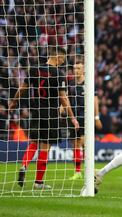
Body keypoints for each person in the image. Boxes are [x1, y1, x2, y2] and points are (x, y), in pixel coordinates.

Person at [8, 47, 79, 189]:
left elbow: (23, 88)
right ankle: (38, 182)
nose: (62, 63)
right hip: (51, 114)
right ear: (57, 57)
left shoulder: (34, 69)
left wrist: (14, 102)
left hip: (36, 112)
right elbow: (63, 98)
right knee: (45, 147)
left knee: (34, 142)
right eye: (62, 60)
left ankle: (24, 165)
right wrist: (72, 117)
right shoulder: (58, 74)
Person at [67, 59, 103, 180]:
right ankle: (77, 172)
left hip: (85, 118)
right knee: (75, 144)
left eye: (78, 68)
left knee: (84, 144)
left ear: (83, 70)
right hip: (73, 118)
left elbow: (95, 100)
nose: (75, 70)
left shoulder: (88, 83)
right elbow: (66, 98)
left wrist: (96, 117)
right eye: (74, 68)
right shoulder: (70, 84)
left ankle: (89, 170)